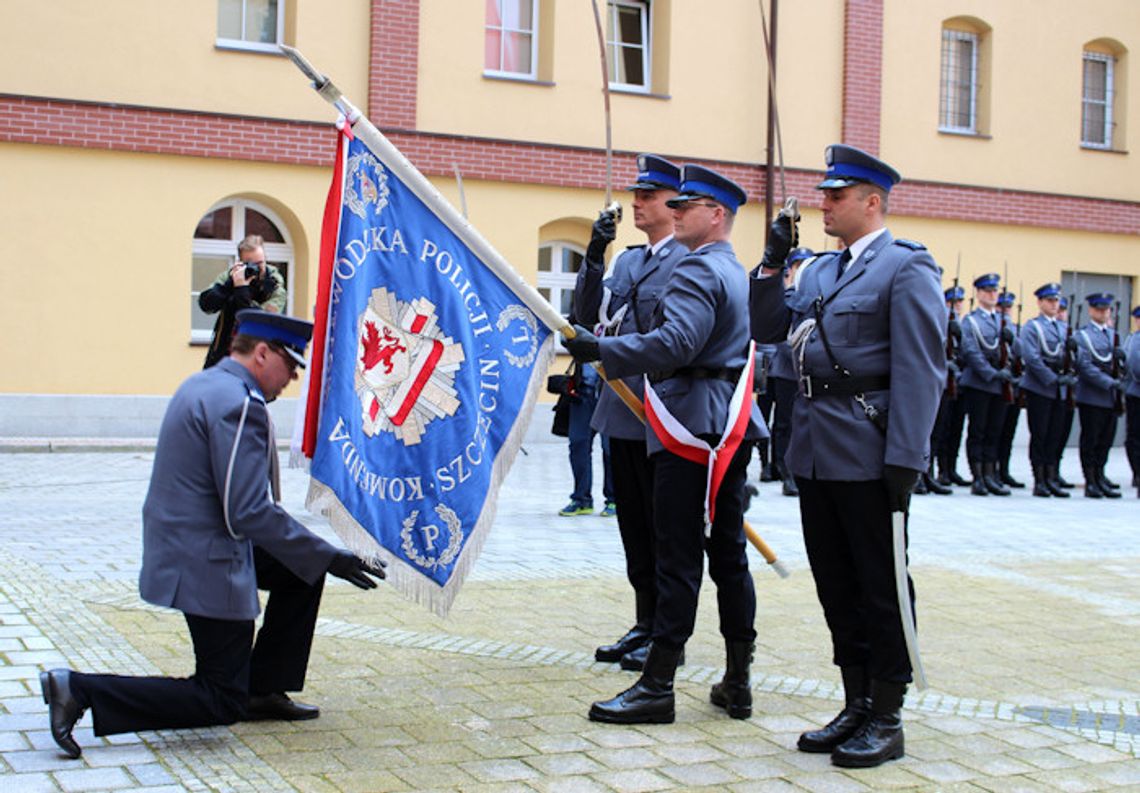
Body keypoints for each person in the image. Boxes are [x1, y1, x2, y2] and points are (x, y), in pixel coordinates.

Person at [40, 309, 386, 759]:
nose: (290, 381)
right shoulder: (239, 403)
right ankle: (80, 690)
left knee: (301, 571)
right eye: (290, 366)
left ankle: (263, 689)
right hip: (207, 560)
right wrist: (330, 554)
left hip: (190, 543)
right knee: (218, 699)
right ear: (263, 353)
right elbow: (248, 511)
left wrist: (316, 559)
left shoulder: (204, 383)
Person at [750, 144, 944, 768]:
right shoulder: (822, 272)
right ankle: (855, 701)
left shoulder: (905, 267)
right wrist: (773, 261)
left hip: (869, 451)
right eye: (824, 194)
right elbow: (770, 329)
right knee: (837, 584)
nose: (824, 204)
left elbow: (922, 368)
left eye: (836, 195)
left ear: (872, 201)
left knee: (880, 586)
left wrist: (906, 458)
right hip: (815, 451)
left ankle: (887, 714)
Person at [565, 165, 764, 724]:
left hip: (688, 423)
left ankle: (658, 685)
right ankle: (737, 679)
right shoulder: (728, 267)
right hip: (725, 421)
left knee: (678, 555)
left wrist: (604, 353)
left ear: (716, 214)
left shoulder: (700, 267)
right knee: (727, 554)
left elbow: (676, 342)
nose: (674, 213)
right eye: (671, 205)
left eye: (686, 206)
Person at [572, 154, 682, 669]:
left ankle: (667, 632)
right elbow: (586, 317)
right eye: (635, 194)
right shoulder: (629, 261)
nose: (637, 202)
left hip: (661, 409)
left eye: (648, 195)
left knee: (664, 530)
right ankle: (644, 622)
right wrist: (595, 255)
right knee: (633, 528)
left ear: (673, 204)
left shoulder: (688, 260)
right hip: (623, 408)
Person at [760, 247, 816, 497]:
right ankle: (778, 468)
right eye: (797, 264)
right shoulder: (785, 294)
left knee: (796, 423)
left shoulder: (812, 293)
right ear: (790, 268)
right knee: (780, 422)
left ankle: (789, 468)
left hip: (801, 372)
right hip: (781, 368)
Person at [959, 273, 1015, 496]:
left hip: (1000, 384)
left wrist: (1012, 346)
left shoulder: (1004, 321)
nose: (993, 295)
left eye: (995, 291)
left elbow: (1014, 352)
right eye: (988, 291)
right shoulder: (971, 321)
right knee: (978, 431)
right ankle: (978, 476)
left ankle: (991, 475)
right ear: (979, 294)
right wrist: (991, 373)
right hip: (980, 383)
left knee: (995, 431)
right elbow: (970, 350)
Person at [199, 234, 287, 369]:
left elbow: (256, 320)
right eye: (250, 264)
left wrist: (241, 289)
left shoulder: (275, 288)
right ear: (240, 262)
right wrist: (229, 284)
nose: (256, 269)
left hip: (257, 361)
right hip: (222, 356)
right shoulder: (232, 276)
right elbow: (206, 305)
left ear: (266, 259)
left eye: (260, 263)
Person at [1019, 283, 1074, 497]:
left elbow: (1068, 357)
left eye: (1056, 301)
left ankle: (1052, 477)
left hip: (1059, 390)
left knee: (1055, 435)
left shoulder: (1063, 328)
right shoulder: (1032, 327)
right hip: (1040, 389)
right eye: (1049, 301)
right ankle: (1039, 479)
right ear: (1040, 303)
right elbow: (1031, 357)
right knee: (1040, 434)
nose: (1054, 305)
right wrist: (1052, 379)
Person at [1074, 293, 1125, 498]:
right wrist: (1110, 383)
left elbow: (1118, 365)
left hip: (1110, 399)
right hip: (1092, 396)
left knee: (1105, 440)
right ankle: (1091, 480)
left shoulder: (1113, 335)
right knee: (1091, 440)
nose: (1103, 312)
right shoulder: (1082, 336)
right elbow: (1085, 366)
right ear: (1091, 311)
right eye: (1099, 309)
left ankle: (1100, 475)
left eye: (1106, 309)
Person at [558, 359, 615, 517]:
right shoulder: (583, 332)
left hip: (611, 392)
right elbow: (565, 340)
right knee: (578, 444)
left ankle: (614, 499)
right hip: (582, 392)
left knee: (610, 448)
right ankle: (581, 499)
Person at [934, 286, 970, 488]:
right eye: (953, 303)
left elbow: (965, 353)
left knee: (953, 429)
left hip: (956, 383)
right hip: (939, 382)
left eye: (959, 303)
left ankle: (949, 469)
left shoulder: (960, 324)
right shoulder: (937, 318)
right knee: (936, 432)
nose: (957, 307)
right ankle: (928, 473)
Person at [994, 291, 1026, 489]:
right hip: (995, 384)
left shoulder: (1015, 330)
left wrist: (1013, 338)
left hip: (1012, 386)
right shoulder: (987, 328)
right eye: (1002, 308)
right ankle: (988, 473)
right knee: (991, 432)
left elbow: (1022, 353)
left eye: (1008, 309)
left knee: (1008, 433)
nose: (1005, 313)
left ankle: (1003, 470)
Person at [1054, 296, 1079, 490]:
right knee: (1044, 435)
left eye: (1062, 309)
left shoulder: (1070, 334)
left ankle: (1054, 472)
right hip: (1047, 387)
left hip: (1066, 390)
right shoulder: (1034, 327)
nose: (1059, 311)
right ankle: (1042, 477)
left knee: (1060, 433)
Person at [1125, 306, 1140, 497]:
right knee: (1136, 437)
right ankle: (1138, 473)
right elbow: (1137, 368)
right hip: (1137, 395)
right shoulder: (1135, 341)